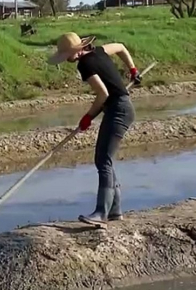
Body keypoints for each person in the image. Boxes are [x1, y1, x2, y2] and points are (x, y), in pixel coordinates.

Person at [47, 33, 140, 227]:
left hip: (118, 110)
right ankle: (115, 211)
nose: (66, 59)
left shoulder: (85, 65)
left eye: (67, 55)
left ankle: (101, 214)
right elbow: (121, 46)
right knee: (106, 159)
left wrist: (88, 117)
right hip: (122, 107)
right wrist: (132, 69)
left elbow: (103, 94)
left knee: (102, 160)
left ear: (77, 50)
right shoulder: (100, 51)